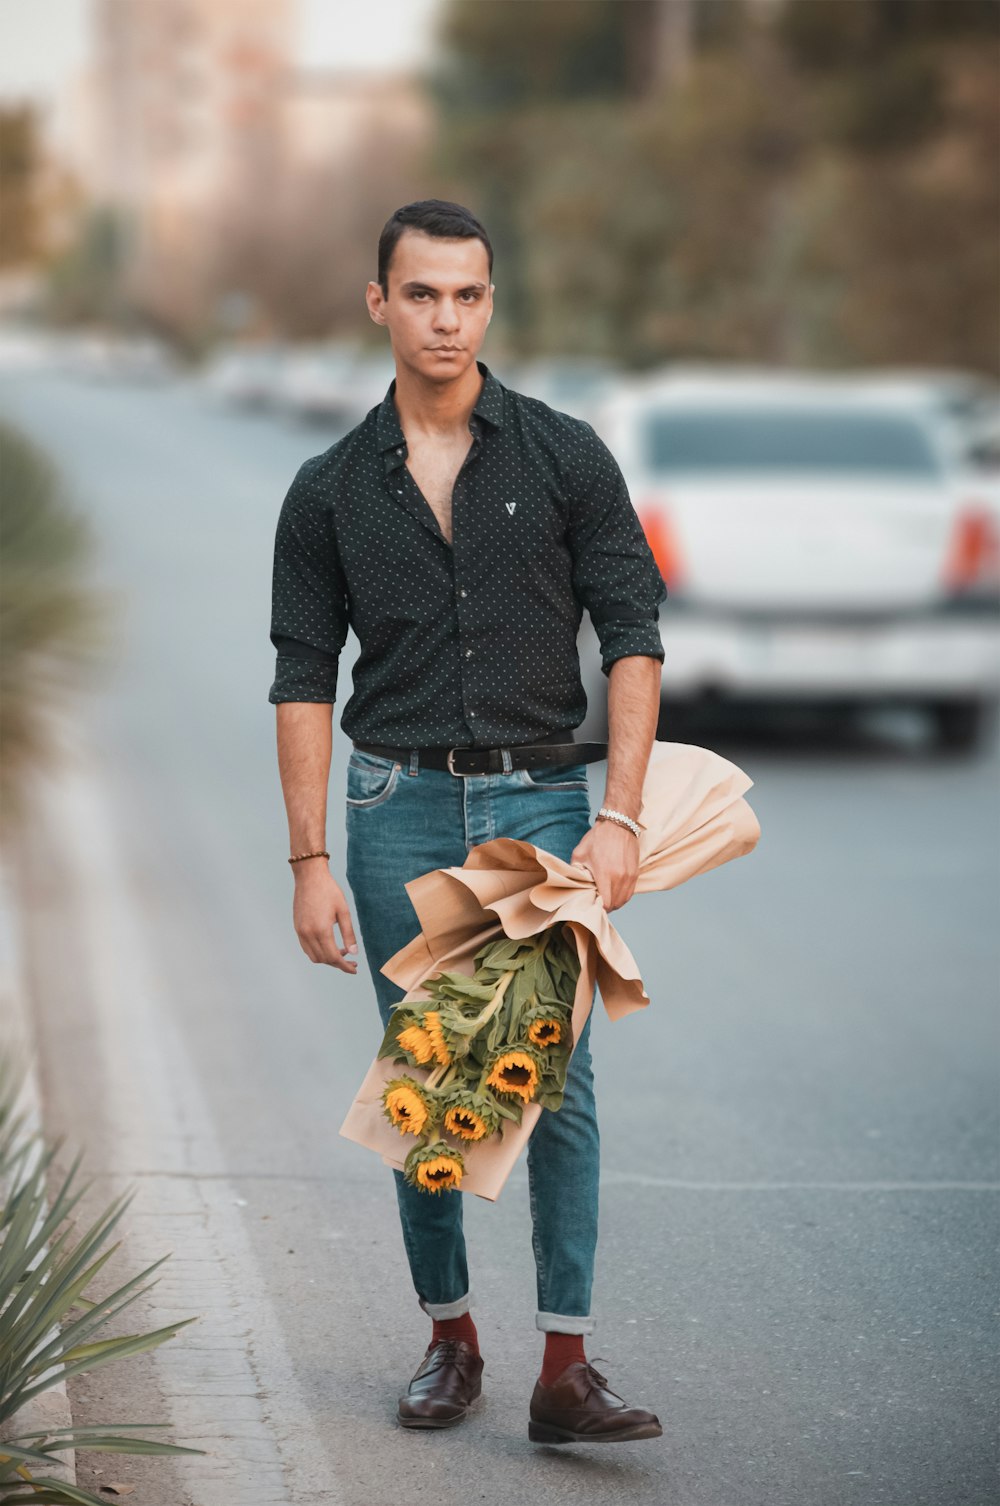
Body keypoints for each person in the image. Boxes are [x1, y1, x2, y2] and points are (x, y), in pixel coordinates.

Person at [268, 199, 667, 1444]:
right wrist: (308, 861)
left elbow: (636, 638)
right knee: (427, 1081)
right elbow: (299, 678)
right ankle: (450, 1340)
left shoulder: (562, 455)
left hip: (543, 801)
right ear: (379, 303)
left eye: (469, 295)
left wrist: (621, 816)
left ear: (491, 303)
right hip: (394, 803)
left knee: (560, 1079)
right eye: (423, 294)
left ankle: (564, 1367)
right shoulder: (329, 488)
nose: (448, 318)